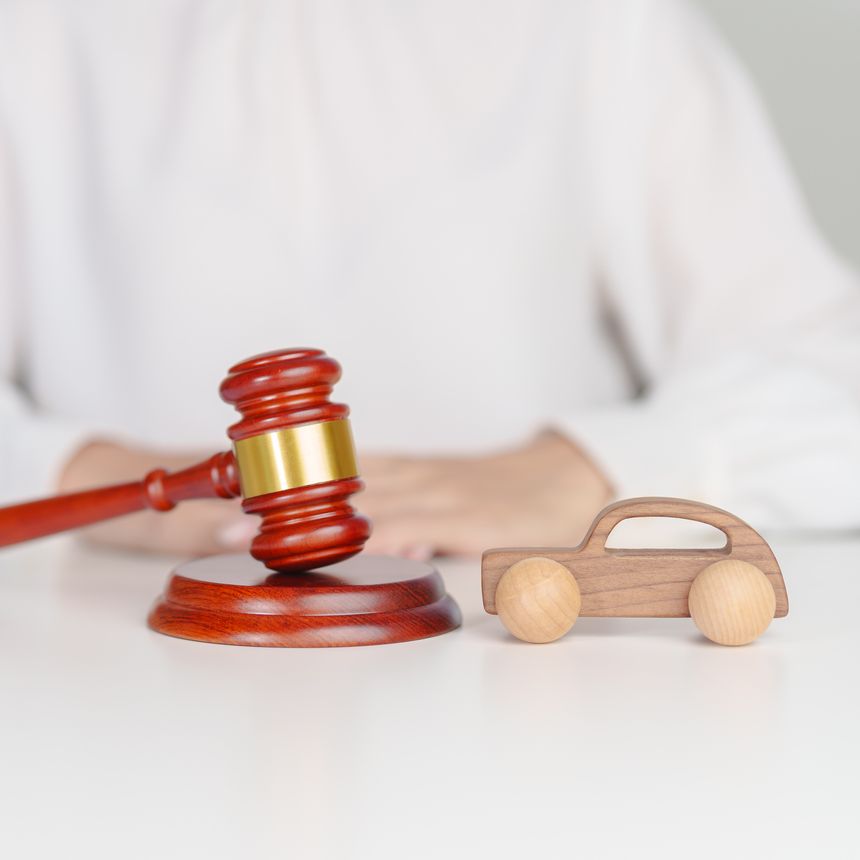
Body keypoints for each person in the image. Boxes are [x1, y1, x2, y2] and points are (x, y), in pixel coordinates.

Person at [1, 0, 859, 561]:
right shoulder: (32, 32)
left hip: (535, 700)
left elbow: (832, 380)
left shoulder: (607, 26)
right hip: (104, 694)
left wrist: (592, 471)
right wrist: (88, 480)